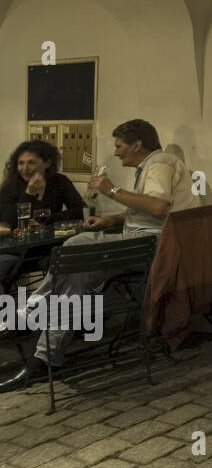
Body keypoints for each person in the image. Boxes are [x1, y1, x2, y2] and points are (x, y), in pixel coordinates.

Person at [0, 119, 199, 391]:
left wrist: (112, 190)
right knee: (74, 259)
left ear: (136, 145)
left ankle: (33, 321)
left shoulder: (160, 163)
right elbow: (151, 213)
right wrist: (113, 219)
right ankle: (41, 348)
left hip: (152, 248)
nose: (116, 152)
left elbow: (157, 206)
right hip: (146, 242)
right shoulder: (154, 165)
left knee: (73, 260)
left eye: (119, 146)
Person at [0, 140, 86, 292]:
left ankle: (69, 308)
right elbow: (10, 221)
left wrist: (47, 221)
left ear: (47, 163)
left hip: (49, 247)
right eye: (21, 163)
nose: (25, 168)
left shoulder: (59, 181)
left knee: (74, 265)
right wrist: (29, 194)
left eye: (31, 163)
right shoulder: (11, 186)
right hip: (16, 250)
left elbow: (78, 211)